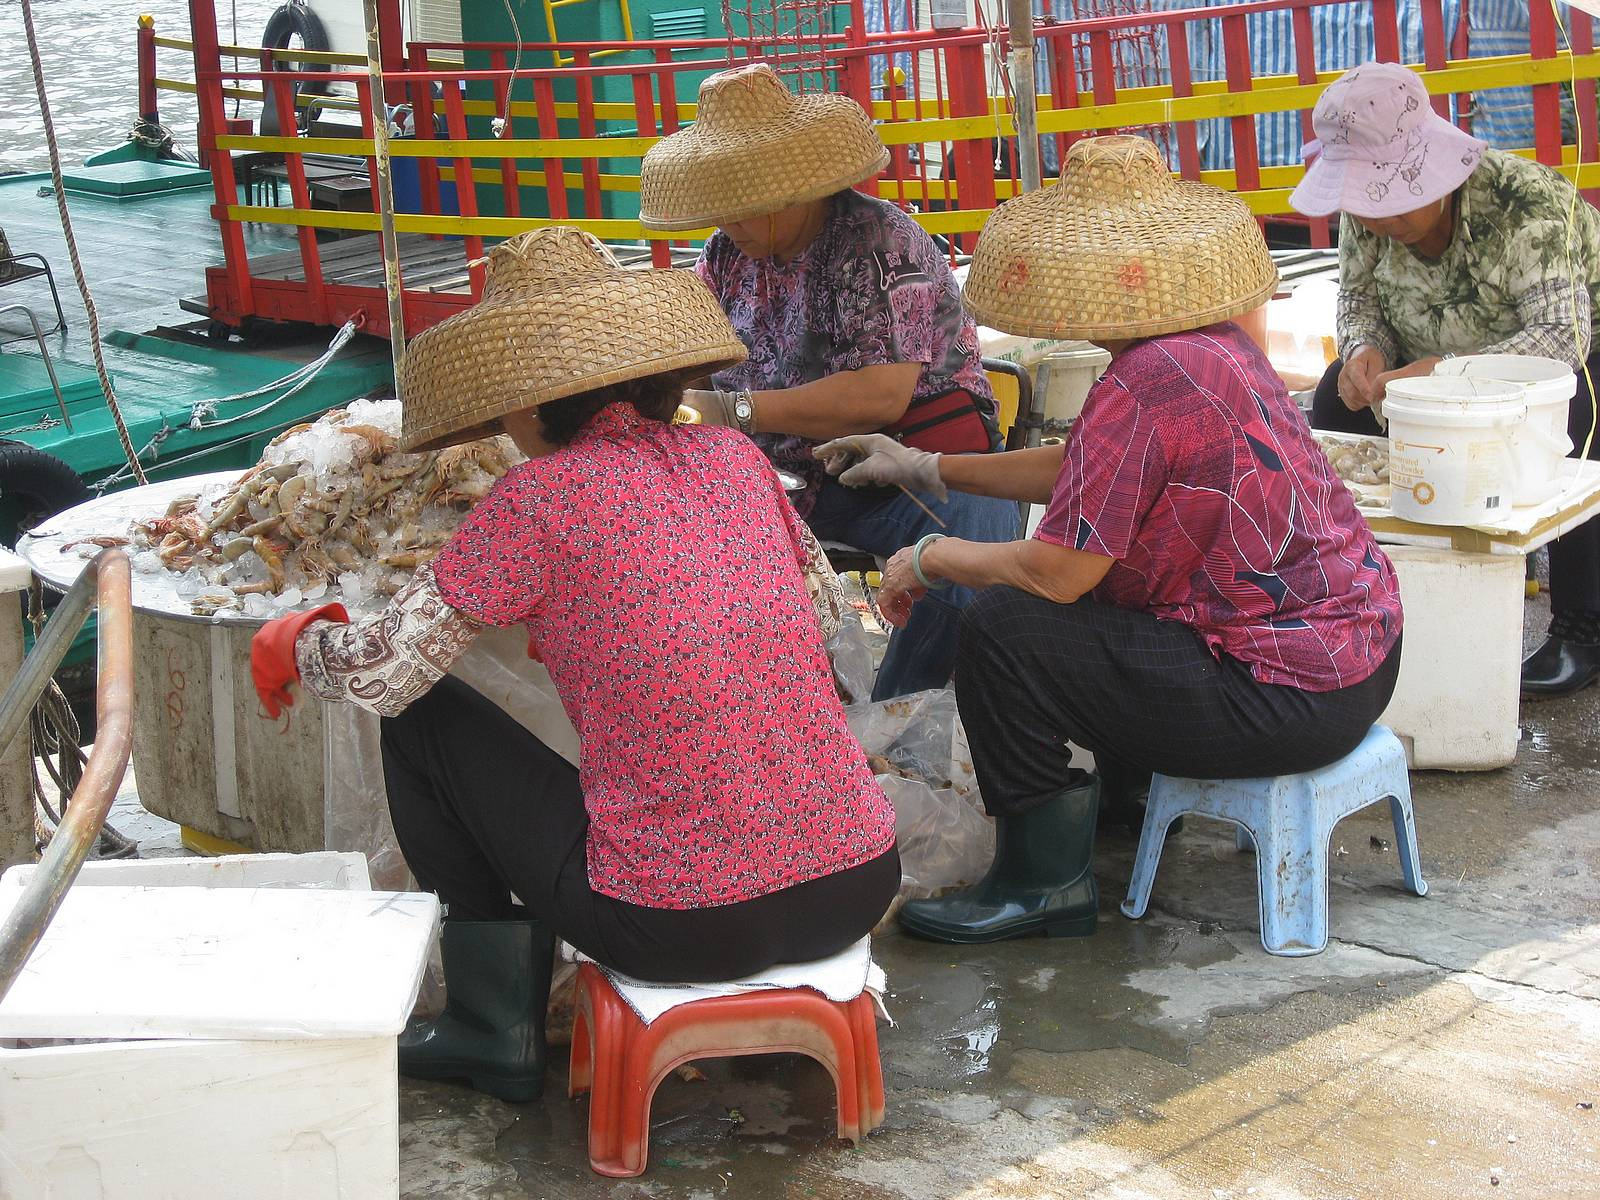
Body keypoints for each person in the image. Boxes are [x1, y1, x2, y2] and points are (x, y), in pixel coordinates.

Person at [248, 228, 899, 1101]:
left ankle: (492, 1024)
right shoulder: (738, 460)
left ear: (527, 406)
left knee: (424, 721)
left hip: (678, 919)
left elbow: (386, 671)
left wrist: (296, 643)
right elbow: (822, 620)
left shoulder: (537, 501)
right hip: (856, 878)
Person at [817, 135, 1404, 944]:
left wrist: (930, 557)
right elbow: (1086, 467)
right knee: (1111, 616)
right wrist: (928, 466)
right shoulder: (1213, 343)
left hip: (1286, 695)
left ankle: (1041, 880)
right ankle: (1121, 806)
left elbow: (1057, 574)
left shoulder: (1146, 379)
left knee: (1004, 628)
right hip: (1362, 660)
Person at [637, 63, 1020, 700]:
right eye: (723, 210)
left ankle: (897, 728)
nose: (730, 223)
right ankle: (776, 714)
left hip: (900, 472)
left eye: (744, 209)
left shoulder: (878, 242)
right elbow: (691, 348)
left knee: (973, 531)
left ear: (792, 189)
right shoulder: (727, 253)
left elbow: (877, 396)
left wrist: (733, 409)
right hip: (779, 476)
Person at [1289, 60, 1600, 699]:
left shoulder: (1526, 202)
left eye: (1392, 202)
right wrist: (1364, 352)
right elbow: (1358, 301)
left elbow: (1560, 338)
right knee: (1332, 403)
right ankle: (1363, 591)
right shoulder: (1362, 218)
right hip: (1424, 365)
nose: (1379, 221)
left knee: (1585, 412)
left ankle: (1583, 621)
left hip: (1549, 365)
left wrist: (1449, 378)